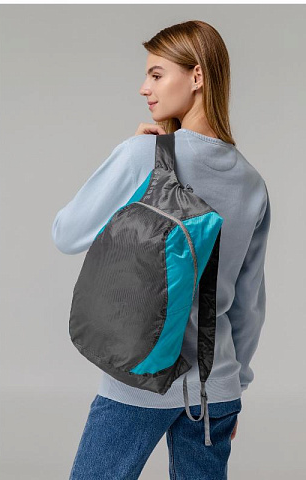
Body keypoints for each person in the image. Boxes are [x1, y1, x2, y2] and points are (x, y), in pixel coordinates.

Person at [52, 20, 271, 480]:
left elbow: (67, 233)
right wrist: (234, 388)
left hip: (139, 379)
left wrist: (127, 154)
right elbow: (248, 305)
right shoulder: (252, 182)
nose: (143, 88)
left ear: (197, 76)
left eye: (156, 74)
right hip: (216, 387)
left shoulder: (143, 156)